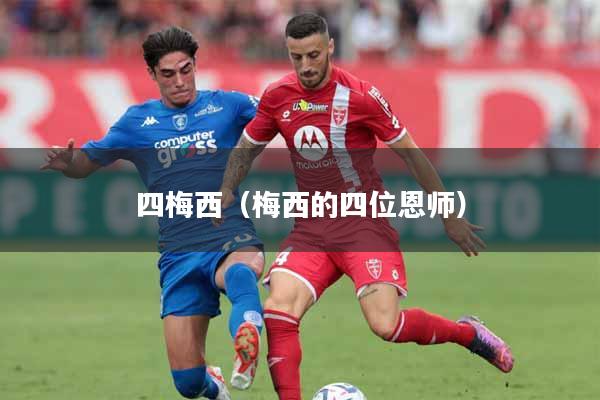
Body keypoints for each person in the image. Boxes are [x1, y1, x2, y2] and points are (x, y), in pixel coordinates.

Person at [216, 13, 514, 400]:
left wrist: (449, 214)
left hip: (363, 225)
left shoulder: (360, 96)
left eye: (313, 55)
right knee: (278, 309)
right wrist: (226, 190)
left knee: (386, 325)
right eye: (296, 57)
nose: (305, 66)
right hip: (311, 228)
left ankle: (468, 334)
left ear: (330, 48)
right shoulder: (278, 96)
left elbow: (411, 154)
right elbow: (246, 148)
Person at [40, 26, 265, 400]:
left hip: (229, 233)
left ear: (195, 65)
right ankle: (214, 385)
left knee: (240, 273)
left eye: (186, 70)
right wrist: (69, 163)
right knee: (188, 384)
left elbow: (284, 116)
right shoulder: (136, 122)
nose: (180, 81)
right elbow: (86, 163)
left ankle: (249, 333)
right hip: (179, 252)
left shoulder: (229, 106)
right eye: (168, 73)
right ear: (152, 74)